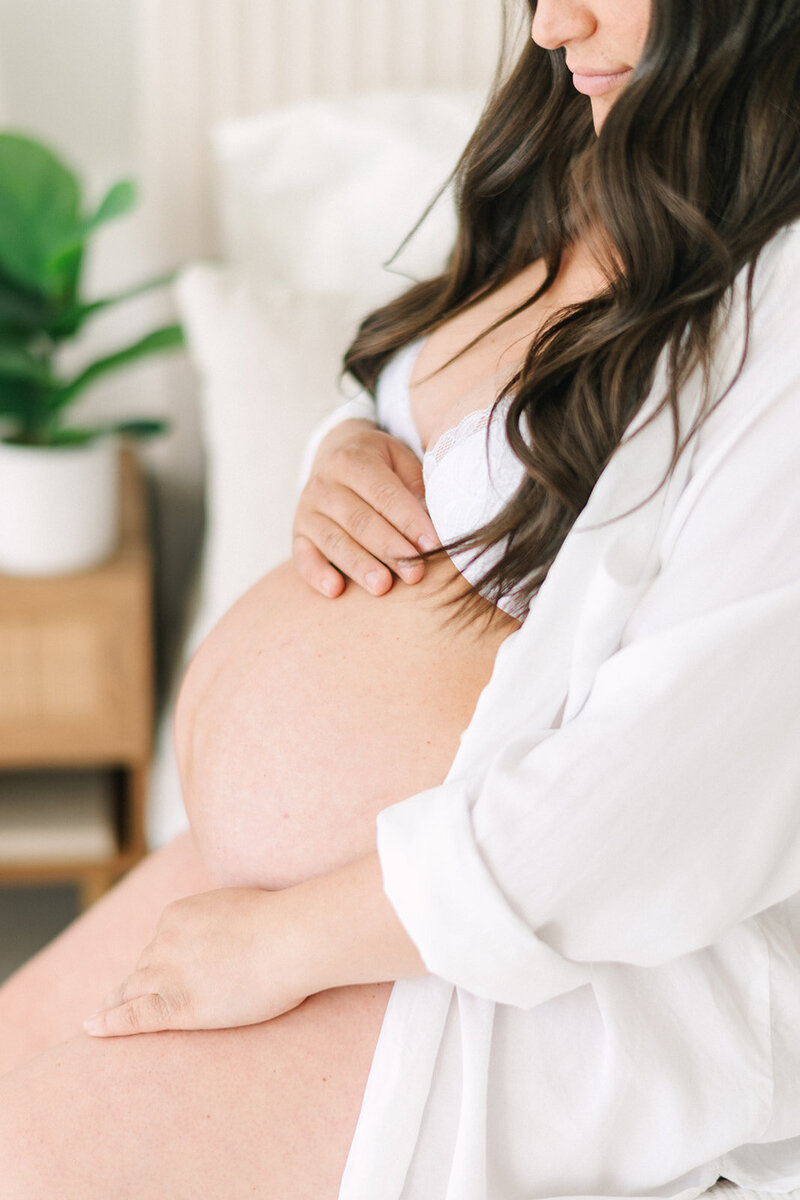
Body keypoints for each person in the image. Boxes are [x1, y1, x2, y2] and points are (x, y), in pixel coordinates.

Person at [1, 0, 799, 1196]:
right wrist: (343, 444)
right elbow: (437, 380)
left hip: (532, 972)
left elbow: (658, 798)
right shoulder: (609, 149)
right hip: (346, 896)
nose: (551, 25)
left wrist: (285, 940)